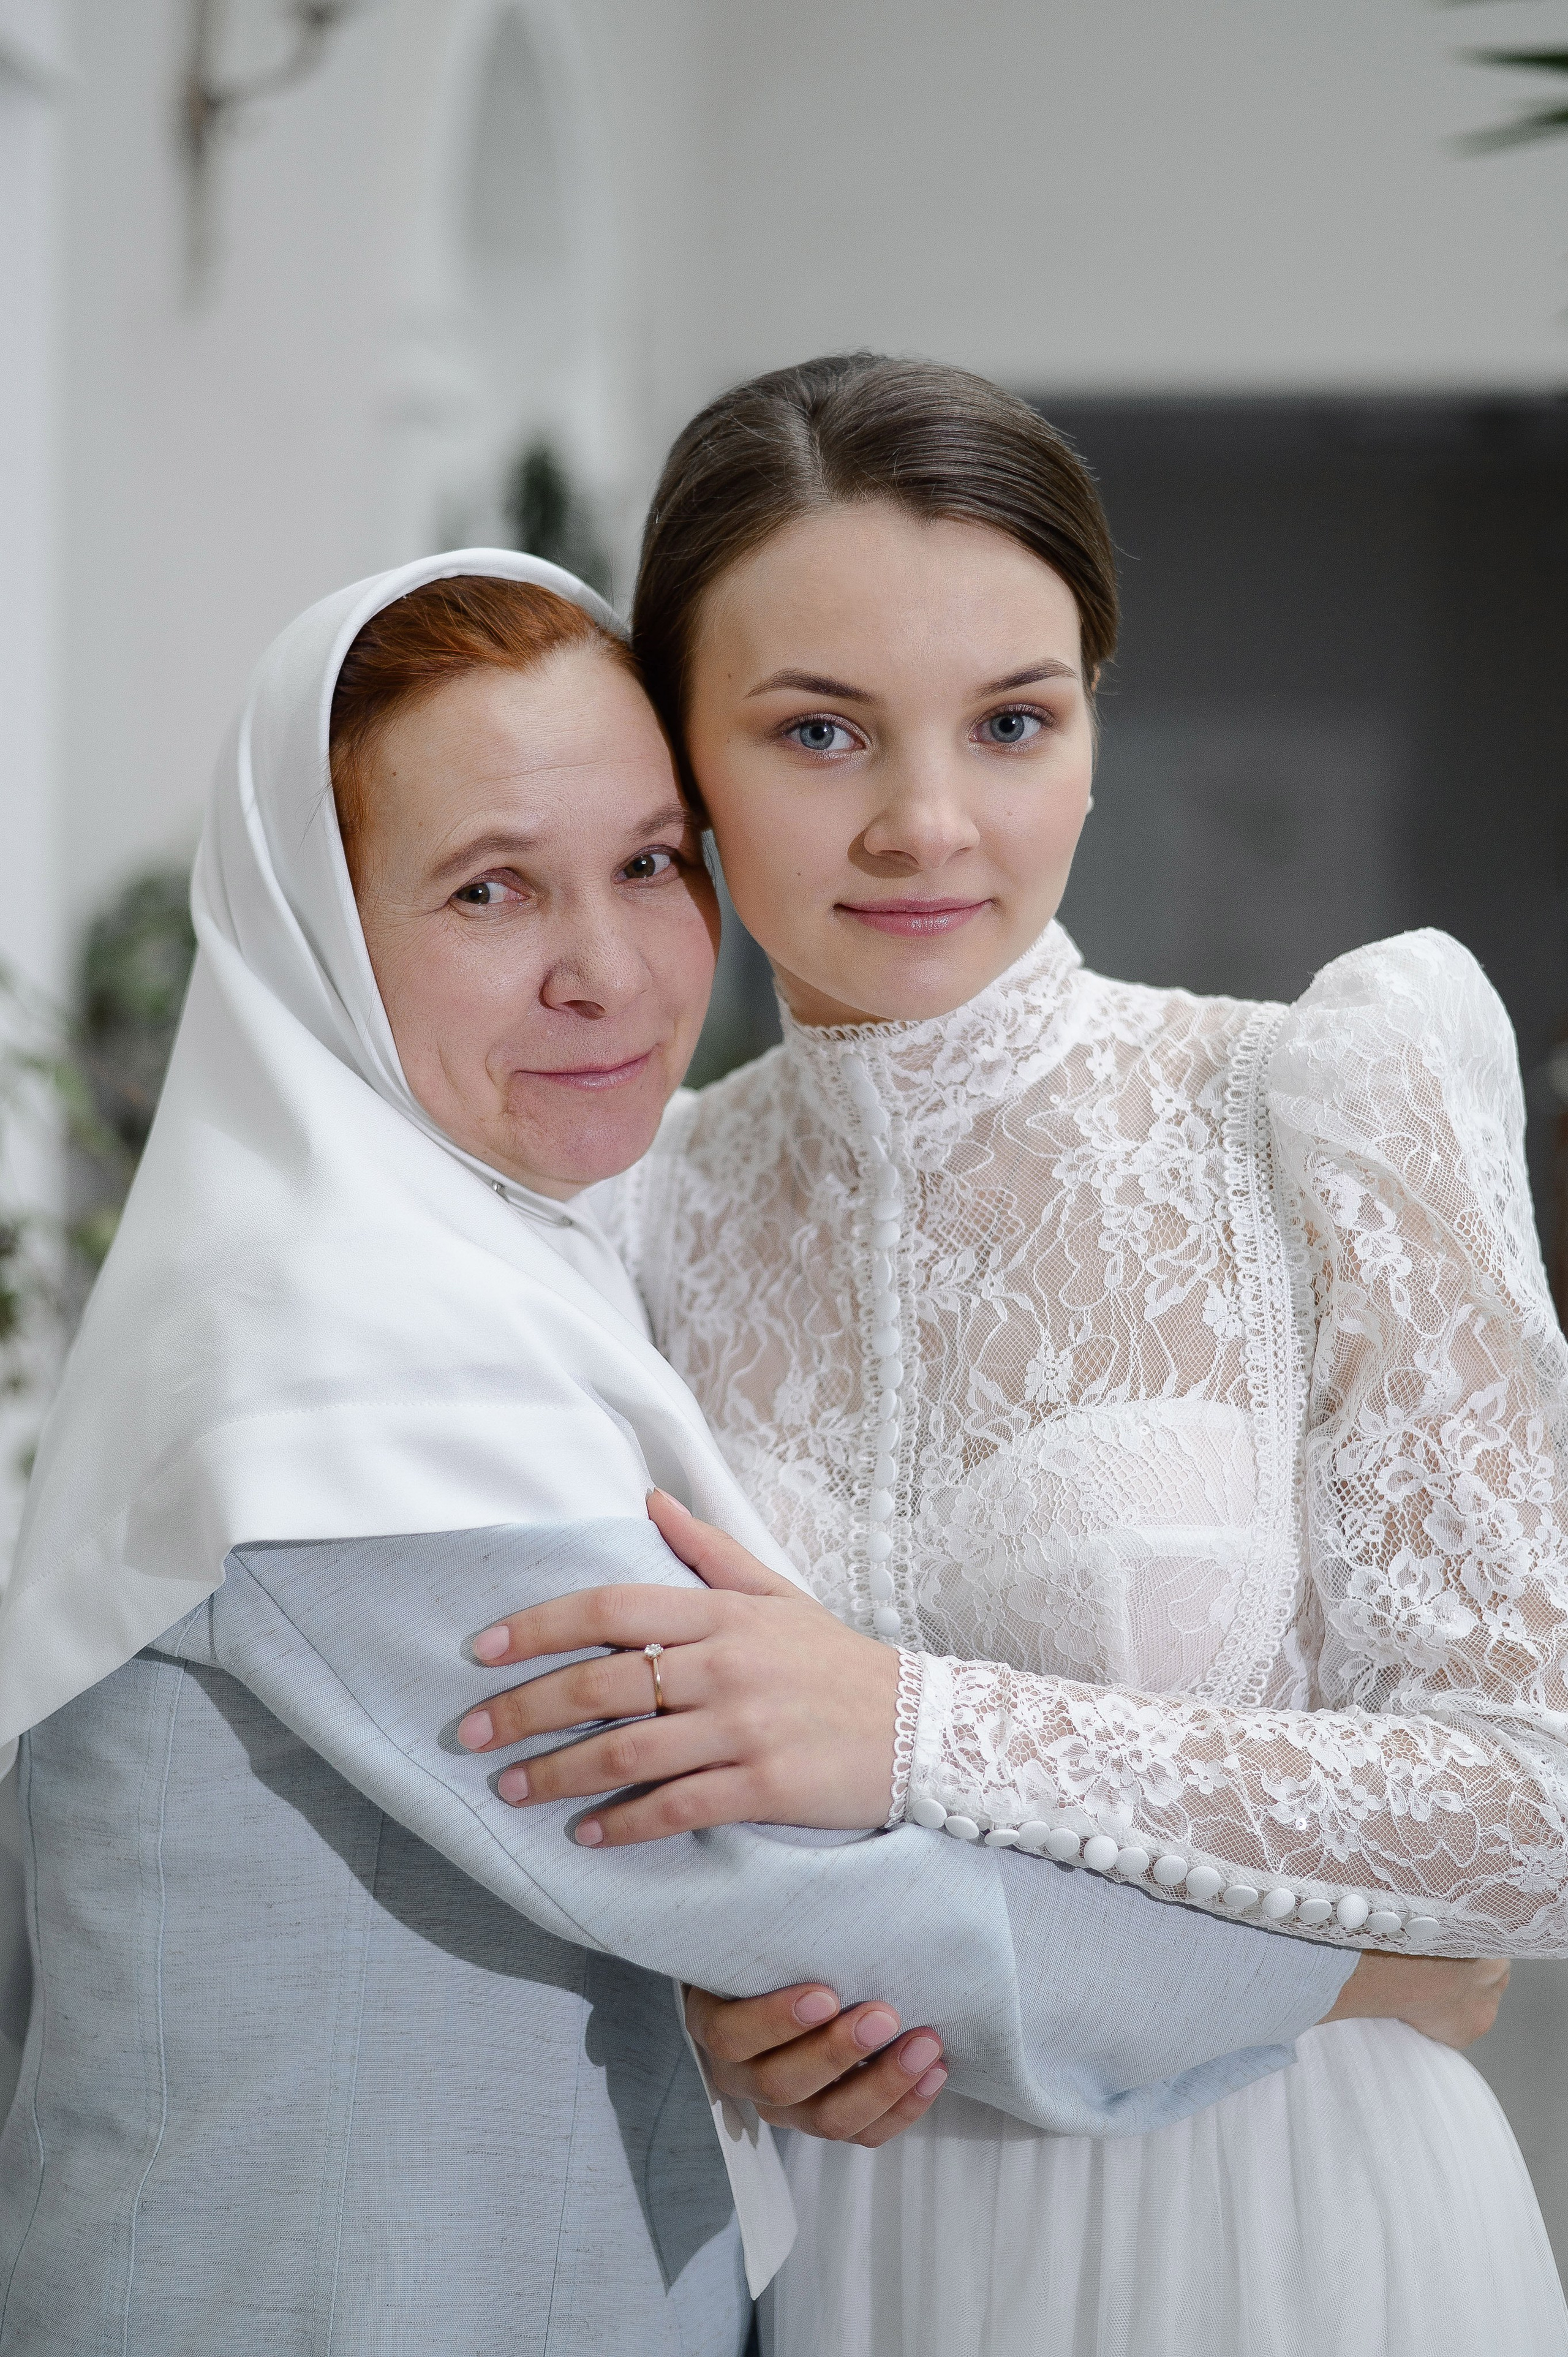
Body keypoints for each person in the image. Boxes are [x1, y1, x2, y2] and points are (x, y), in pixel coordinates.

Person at [0, 548, 1452, 2356]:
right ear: (318, 935)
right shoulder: (331, 1363)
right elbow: (783, 1867)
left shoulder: (494, 1265)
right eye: (490, 890)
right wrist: (1374, 1970)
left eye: (649, 864)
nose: (606, 969)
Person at [463, 360, 1568, 2356]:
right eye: (818, 731)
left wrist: (904, 1726)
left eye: (1014, 721)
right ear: (681, 764)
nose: (927, 823)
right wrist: (700, 2021)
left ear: (1087, 732)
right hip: (846, 2254)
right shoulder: (625, 1217)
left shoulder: (1321, 1095)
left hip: (1292, 2241)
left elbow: (1529, 1810)